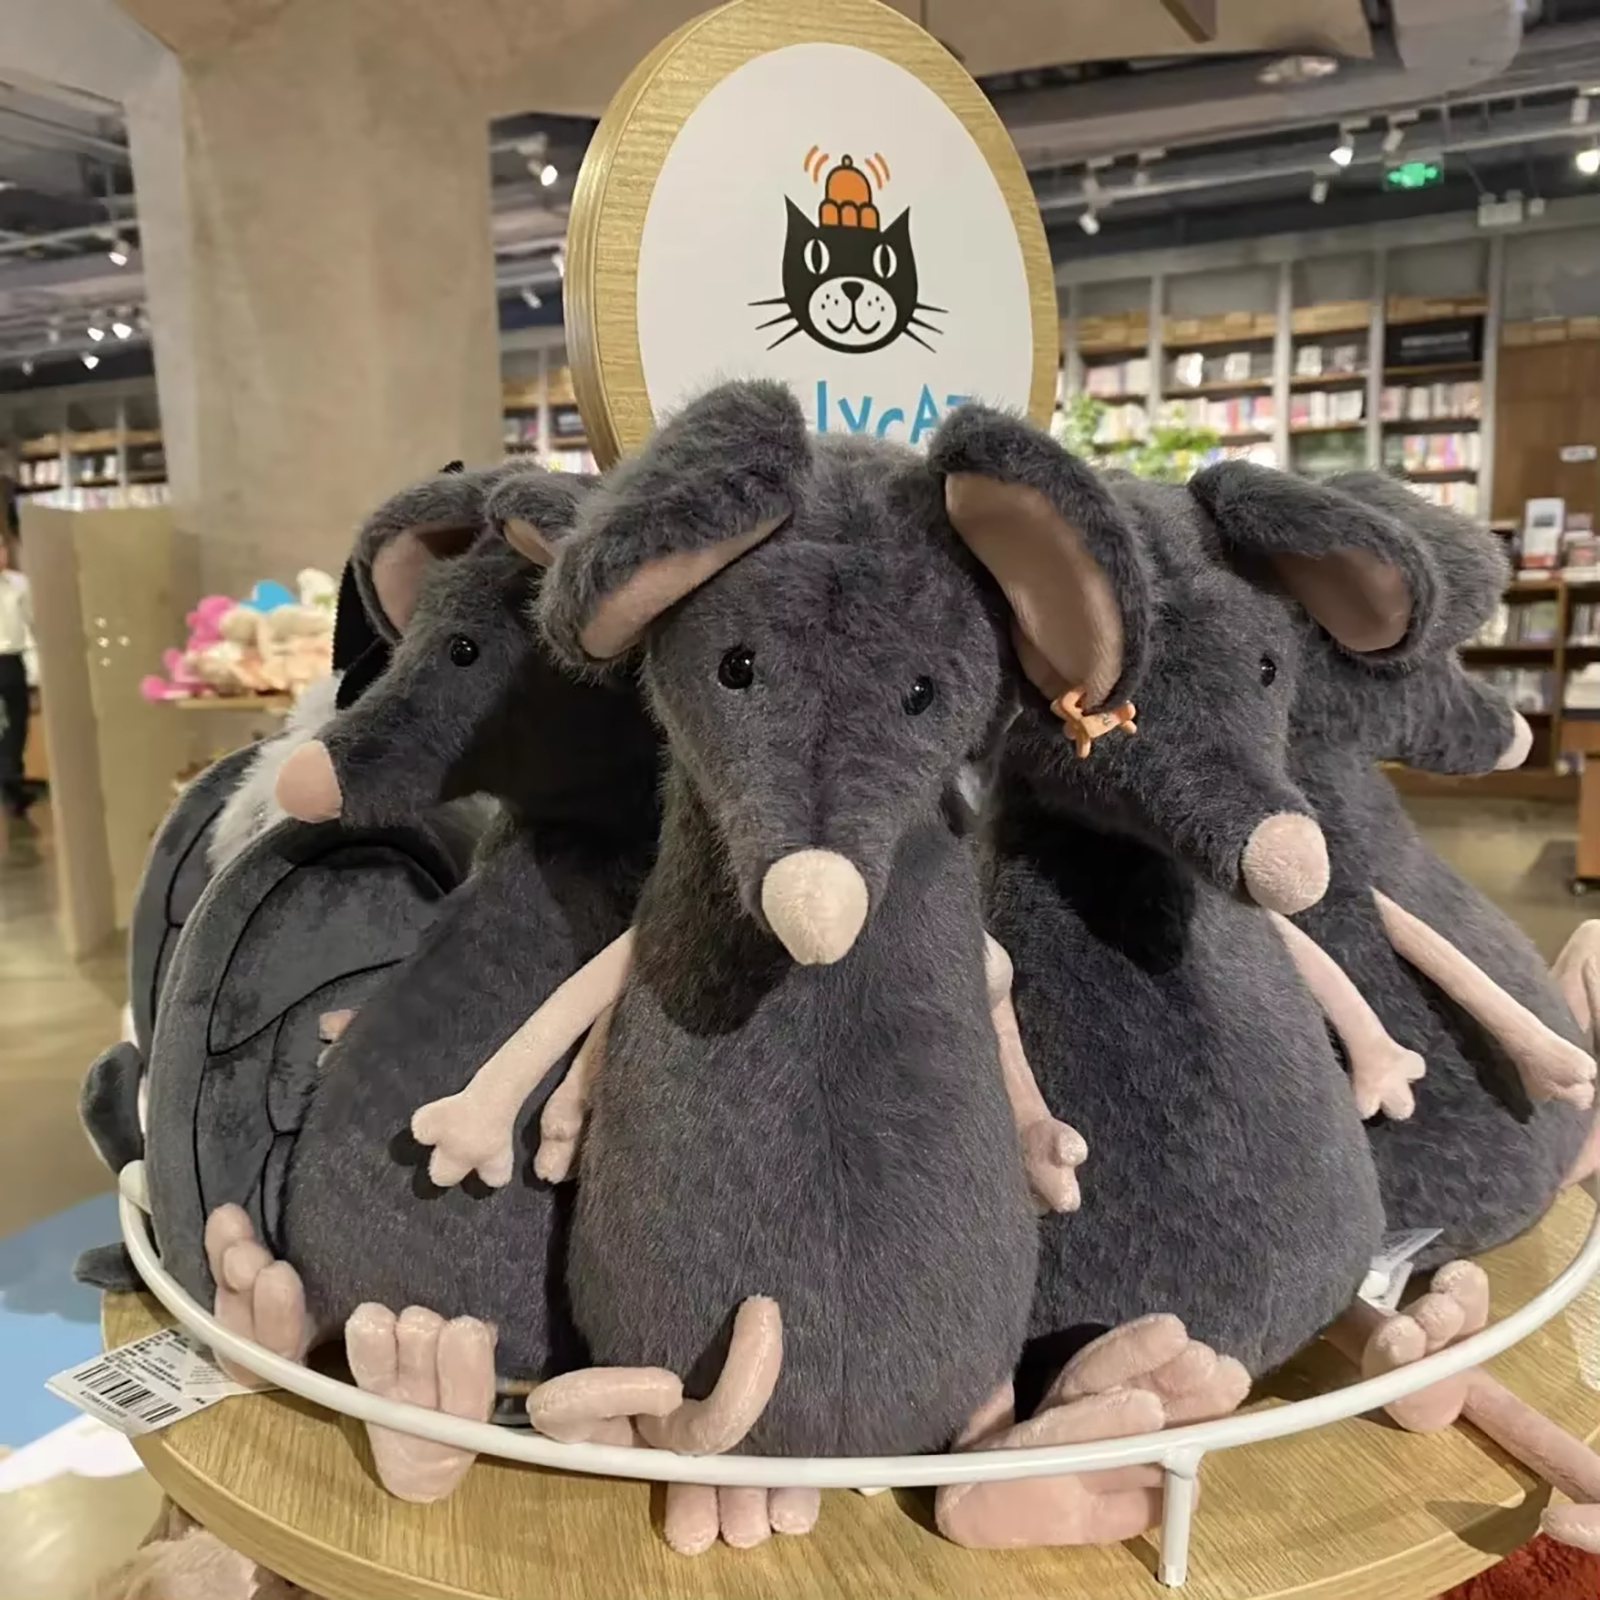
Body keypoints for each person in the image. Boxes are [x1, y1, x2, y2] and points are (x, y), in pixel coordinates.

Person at [0, 535, 37, 821]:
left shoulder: (20, 584)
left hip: (11, 660)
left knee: (18, 722)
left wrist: (36, 668)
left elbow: (31, 625)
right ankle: (9, 779)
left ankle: (12, 777)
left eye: (1, 547)